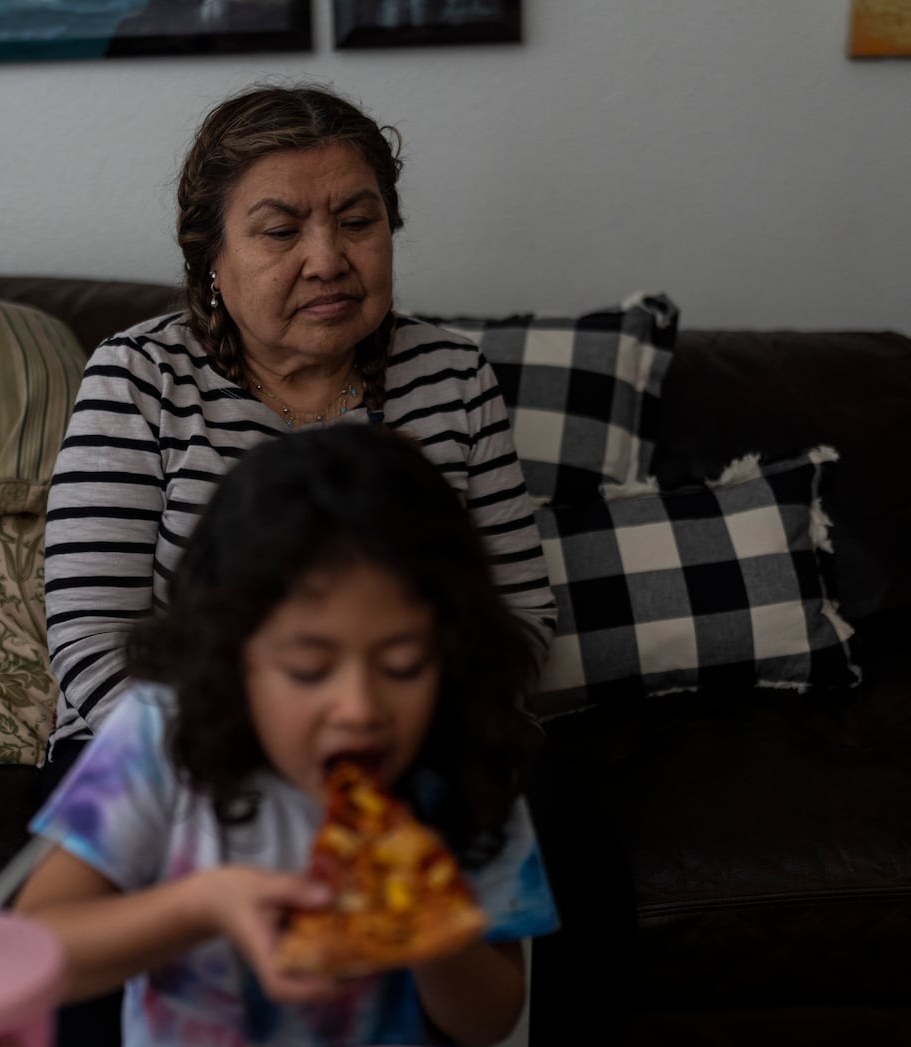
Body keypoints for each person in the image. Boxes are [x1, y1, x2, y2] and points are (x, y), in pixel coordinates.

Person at [42, 81, 557, 786]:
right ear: (212, 262)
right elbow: (90, 637)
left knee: (568, 850)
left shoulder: (453, 372)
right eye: (281, 231)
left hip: (410, 741)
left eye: (357, 221)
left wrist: (406, 737)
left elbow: (520, 612)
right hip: (174, 752)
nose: (327, 258)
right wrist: (259, 767)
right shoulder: (139, 378)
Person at [15, 422, 560, 1047]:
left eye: (405, 664)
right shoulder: (160, 736)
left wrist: (432, 929)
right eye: (308, 669)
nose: (360, 710)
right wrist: (202, 907)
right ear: (232, 658)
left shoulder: (468, 762)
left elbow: (491, 1018)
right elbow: (34, 950)